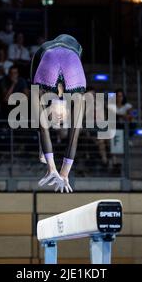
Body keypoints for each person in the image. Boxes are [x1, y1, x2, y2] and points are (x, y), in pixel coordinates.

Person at [31, 34, 87, 193]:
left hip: (52, 54)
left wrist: (56, 169)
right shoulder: (77, 93)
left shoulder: (77, 92)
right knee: (42, 125)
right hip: (62, 57)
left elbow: (43, 130)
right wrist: (62, 172)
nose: (60, 120)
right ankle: (44, 154)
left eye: (57, 121)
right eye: (61, 122)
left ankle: (44, 153)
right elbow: (73, 138)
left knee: (41, 124)